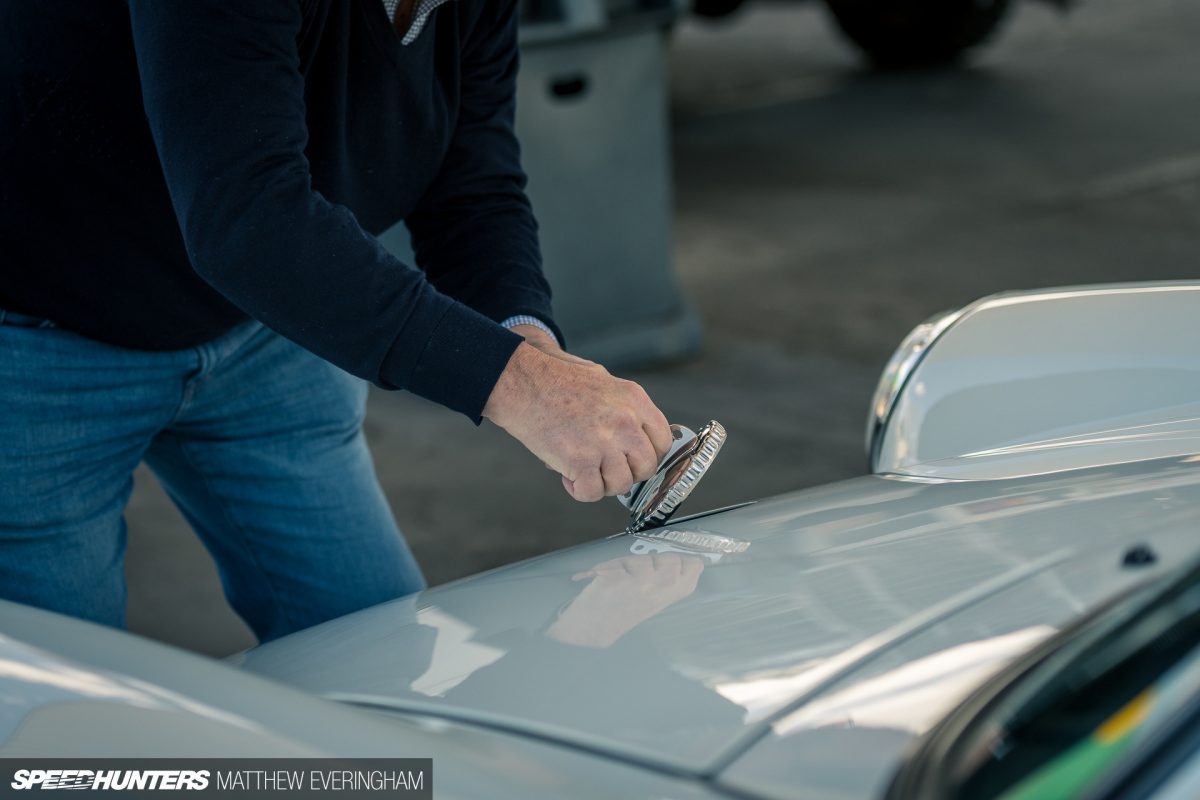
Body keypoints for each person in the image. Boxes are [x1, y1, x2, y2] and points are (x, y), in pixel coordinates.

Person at [0, 0, 672, 642]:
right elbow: (248, 224)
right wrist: (517, 387)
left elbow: (471, 184)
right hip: (44, 340)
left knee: (379, 655)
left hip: (267, 331)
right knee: (59, 720)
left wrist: (538, 357)